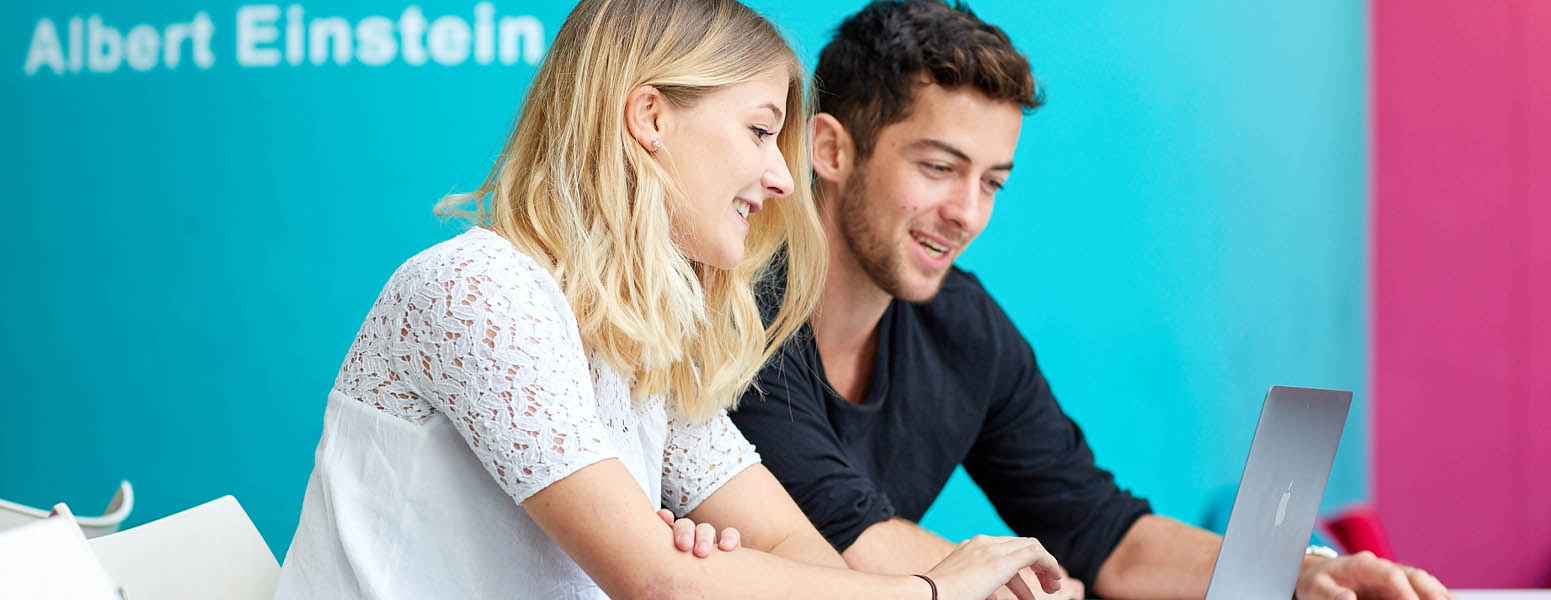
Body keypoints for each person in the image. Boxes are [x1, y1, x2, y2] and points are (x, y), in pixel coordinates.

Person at [273, 0, 1069, 598]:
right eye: (760, 132)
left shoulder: (640, 347)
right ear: (649, 117)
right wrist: (931, 587)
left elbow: (794, 545)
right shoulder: (479, 291)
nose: (783, 179)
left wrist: (740, 572)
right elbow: (658, 581)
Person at [729, 2, 1453, 599]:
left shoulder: (964, 327)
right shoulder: (736, 313)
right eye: (940, 167)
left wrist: (1305, 572)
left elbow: (1104, 533)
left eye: (992, 182)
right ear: (828, 149)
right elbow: (848, 544)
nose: (967, 213)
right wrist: (1028, 582)